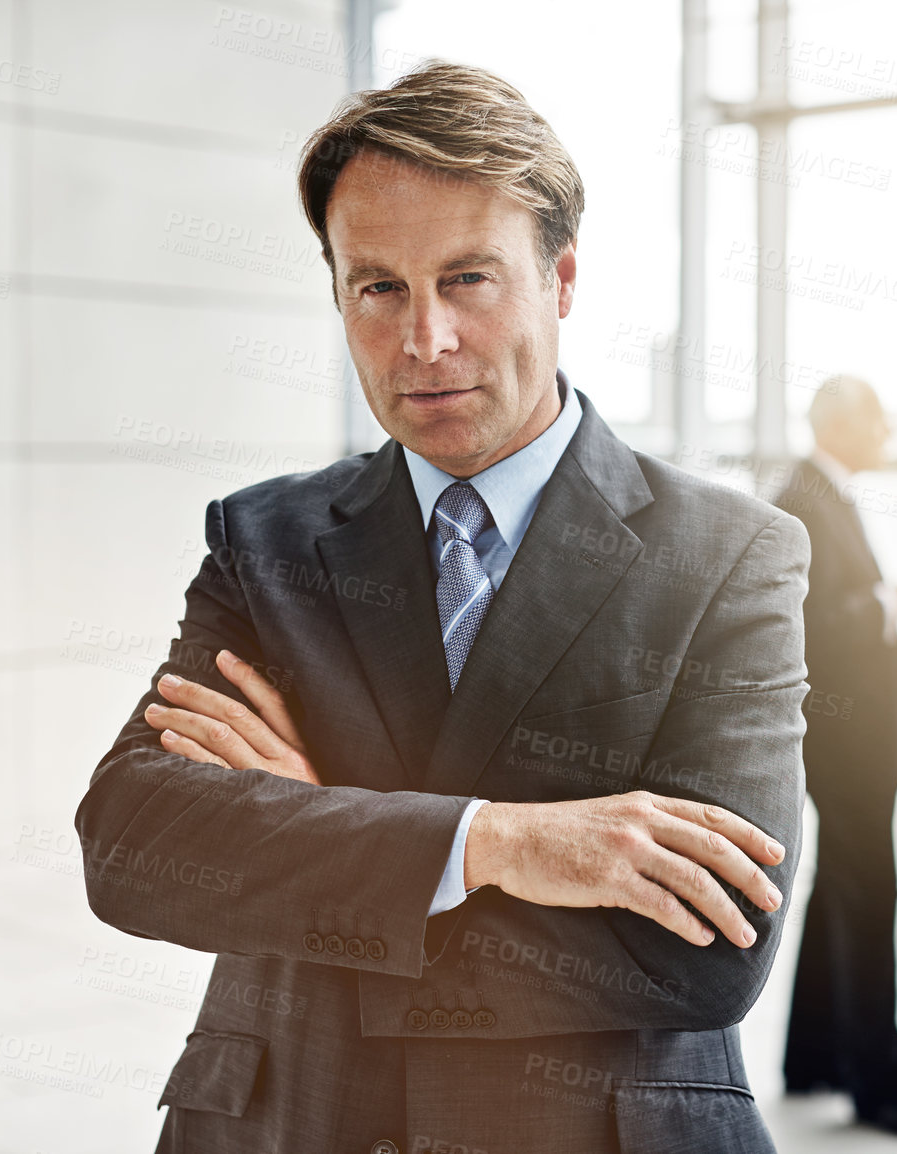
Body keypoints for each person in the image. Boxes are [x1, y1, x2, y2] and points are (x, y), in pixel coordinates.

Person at [74, 62, 810, 1154]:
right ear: (336, 293)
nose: (424, 340)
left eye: (468, 278)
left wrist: (324, 831)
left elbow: (706, 947)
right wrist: (498, 841)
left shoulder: (727, 553)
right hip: (296, 1118)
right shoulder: (265, 539)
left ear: (561, 279)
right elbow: (133, 844)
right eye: (377, 286)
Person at [775, 377, 897, 1140]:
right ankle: (880, 1083)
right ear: (843, 425)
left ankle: (812, 1058)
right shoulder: (803, 498)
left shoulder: (822, 491)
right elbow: (803, 619)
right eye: (880, 419)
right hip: (846, 743)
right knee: (873, 897)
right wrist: (888, 602)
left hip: (853, 741)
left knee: (842, 890)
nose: (890, 432)